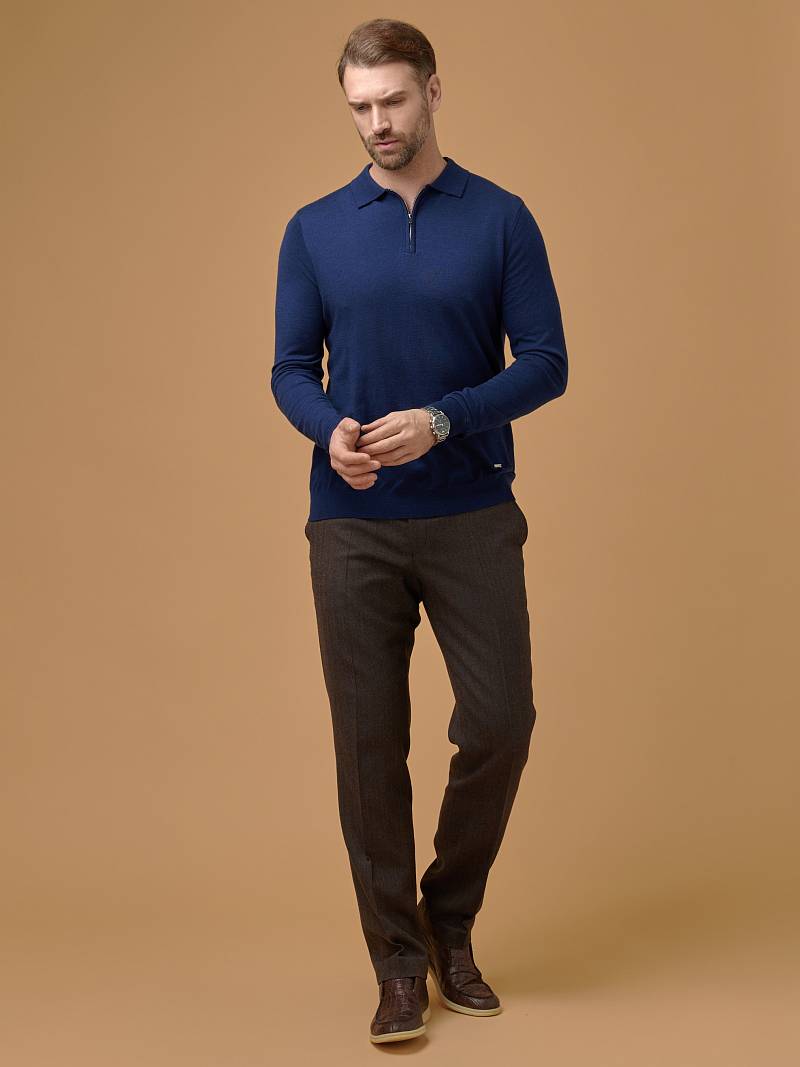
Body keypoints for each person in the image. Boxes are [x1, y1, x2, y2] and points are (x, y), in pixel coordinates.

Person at [271, 17, 568, 1044]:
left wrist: (444, 418)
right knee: (368, 747)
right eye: (359, 107)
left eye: (392, 100)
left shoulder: (500, 218)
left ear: (433, 92)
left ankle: (449, 915)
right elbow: (289, 370)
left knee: (500, 722)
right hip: (351, 523)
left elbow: (545, 361)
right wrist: (330, 430)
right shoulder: (314, 228)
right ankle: (398, 963)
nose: (377, 123)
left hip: (471, 511)